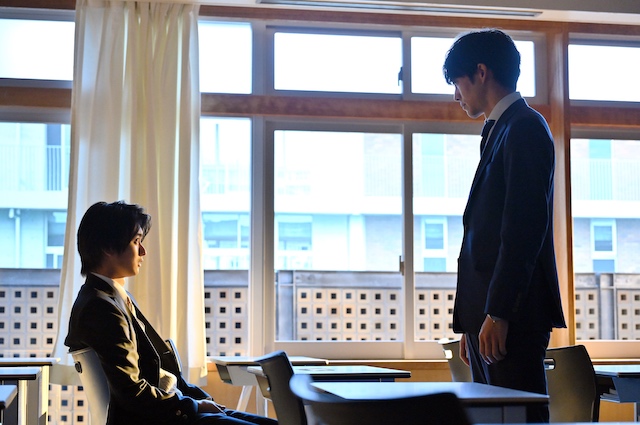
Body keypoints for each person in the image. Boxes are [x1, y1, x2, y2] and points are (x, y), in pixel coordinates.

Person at [442, 29, 566, 422]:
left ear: (481, 73)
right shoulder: (503, 127)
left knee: (516, 419)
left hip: (512, 316)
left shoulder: (524, 126)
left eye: (457, 83)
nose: (456, 95)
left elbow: (522, 230)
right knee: (493, 418)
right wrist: (471, 322)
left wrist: (498, 313)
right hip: (490, 319)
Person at [65, 201, 277, 425]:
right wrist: (194, 406)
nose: (143, 251)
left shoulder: (112, 298)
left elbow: (158, 373)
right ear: (108, 248)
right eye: (136, 241)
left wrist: (201, 400)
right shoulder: (101, 307)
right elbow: (132, 392)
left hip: (170, 407)